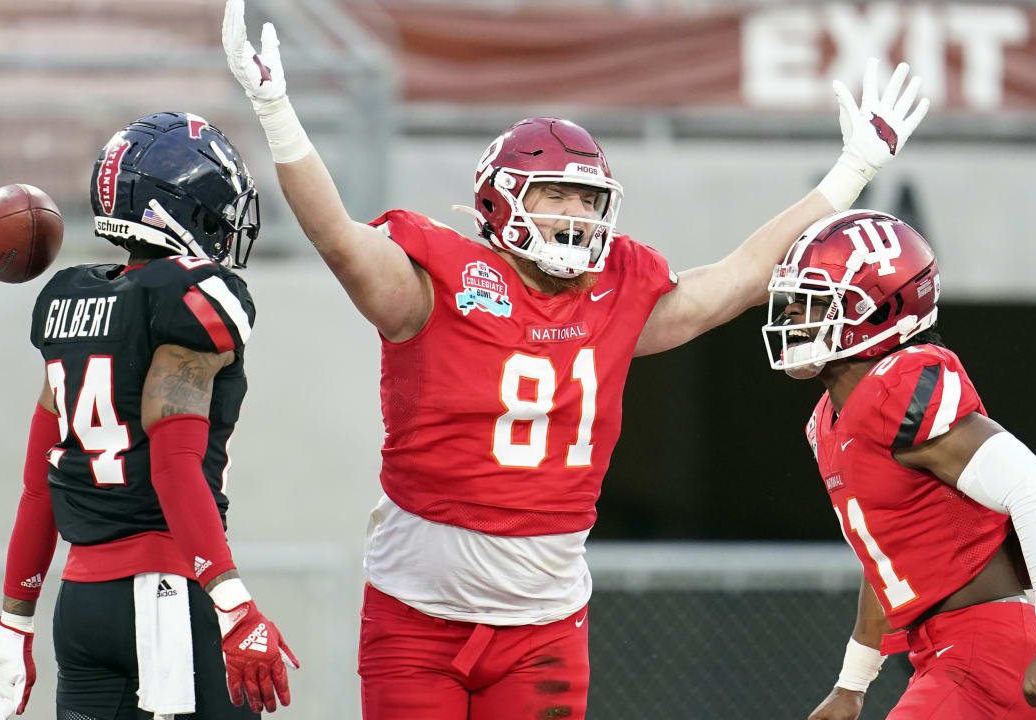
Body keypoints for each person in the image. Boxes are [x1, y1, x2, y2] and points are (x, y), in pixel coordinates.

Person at [222, 1, 927, 716]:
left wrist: (853, 168)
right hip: (416, 616)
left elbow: (742, 277)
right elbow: (340, 240)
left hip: (544, 626)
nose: (577, 216)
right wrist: (276, 110)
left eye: (589, 200)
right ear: (499, 202)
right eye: (556, 194)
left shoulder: (617, 293)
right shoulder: (439, 283)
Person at [0, 112, 297, 720]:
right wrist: (235, 603)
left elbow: (41, 483)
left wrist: (13, 624)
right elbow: (172, 464)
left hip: (84, 607)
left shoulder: (69, 299)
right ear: (182, 209)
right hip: (165, 596)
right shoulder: (188, 298)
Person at [759, 210, 1036, 719]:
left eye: (816, 303)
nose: (795, 319)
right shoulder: (829, 418)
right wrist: (852, 684)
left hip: (986, 647)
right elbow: (886, 555)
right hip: (942, 649)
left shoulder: (898, 389)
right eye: (797, 302)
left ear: (882, 308)